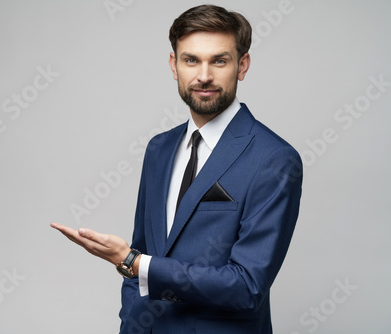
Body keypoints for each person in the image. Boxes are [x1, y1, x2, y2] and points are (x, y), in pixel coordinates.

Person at [51, 4, 302, 333]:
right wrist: (131, 319)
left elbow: (246, 286)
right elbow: (143, 254)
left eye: (219, 60)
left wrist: (133, 262)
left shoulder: (274, 158)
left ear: (242, 66)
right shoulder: (159, 149)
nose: (204, 75)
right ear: (174, 66)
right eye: (191, 60)